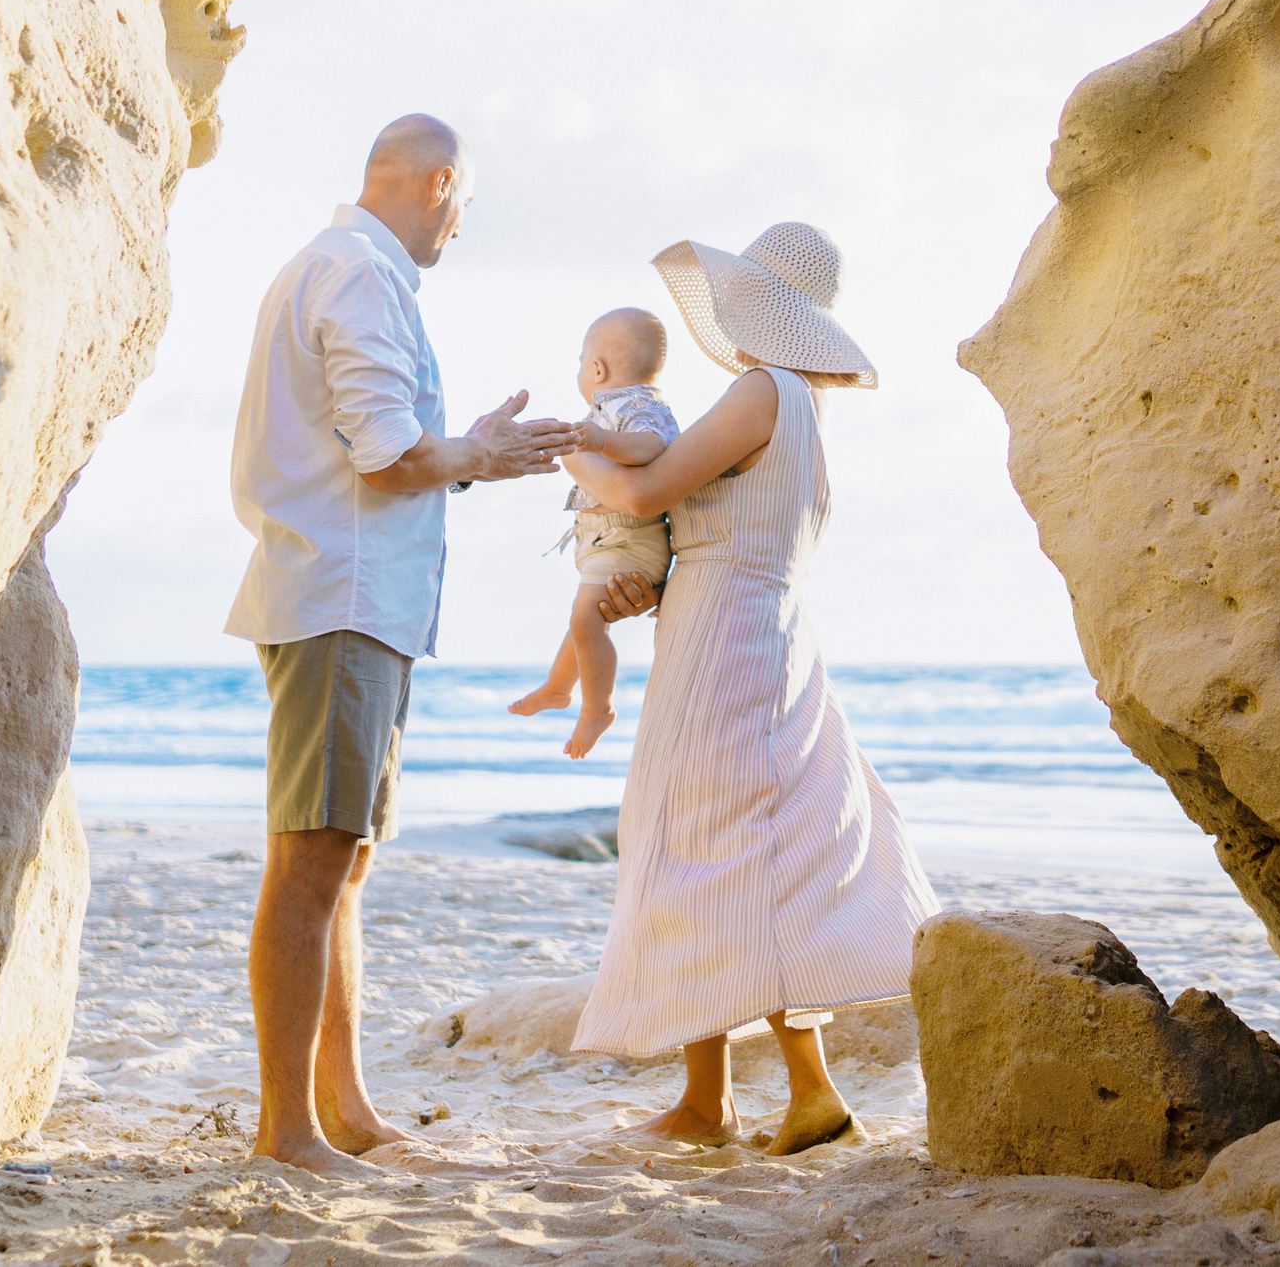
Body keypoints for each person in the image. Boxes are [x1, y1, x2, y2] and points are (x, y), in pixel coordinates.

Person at [220, 113, 644, 1176]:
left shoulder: (345, 269)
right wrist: (483, 454)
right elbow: (384, 455)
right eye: (466, 203)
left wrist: (469, 452)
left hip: (354, 600)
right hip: (343, 599)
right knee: (313, 864)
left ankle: (344, 1109)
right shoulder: (357, 274)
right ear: (440, 183)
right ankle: (289, 1132)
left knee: (341, 865)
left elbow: (390, 451)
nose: (462, 226)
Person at [563, 222, 939, 1155]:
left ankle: (725, 1100)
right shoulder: (805, 406)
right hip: (766, 634)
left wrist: (567, 451)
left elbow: (646, 498)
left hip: (724, 642)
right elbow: (712, 527)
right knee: (747, 851)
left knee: (705, 848)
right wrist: (648, 583)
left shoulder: (762, 390)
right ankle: (779, 1092)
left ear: (757, 310)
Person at [509, 308, 681, 758]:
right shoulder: (612, 408)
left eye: (581, 360)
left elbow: (651, 446)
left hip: (627, 535)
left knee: (587, 621)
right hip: (606, 535)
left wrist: (598, 441)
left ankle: (596, 709)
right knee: (584, 621)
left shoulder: (637, 405)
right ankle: (557, 688)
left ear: (597, 368)